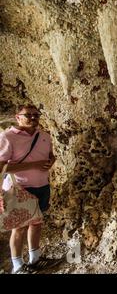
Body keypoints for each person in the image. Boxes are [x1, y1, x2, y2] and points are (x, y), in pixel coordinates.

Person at [0, 104, 62, 274]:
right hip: (20, 188)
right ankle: (18, 266)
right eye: (28, 115)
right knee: (19, 227)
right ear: (17, 117)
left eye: (36, 115)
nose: (33, 118)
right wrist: (35, 164)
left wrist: (51, 161)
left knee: (37, 223)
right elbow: (2, 167)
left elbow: (49, 156)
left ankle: (35, 259)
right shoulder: (7, 137)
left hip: (42, 186)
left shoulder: (44, 136)